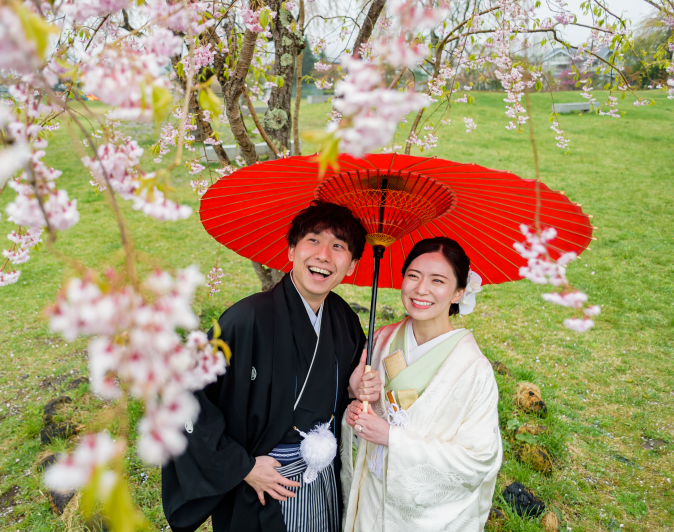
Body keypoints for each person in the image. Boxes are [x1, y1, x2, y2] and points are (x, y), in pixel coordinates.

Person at [162, 201, 382, 532]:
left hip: (322, 477)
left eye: (339, 246)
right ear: (292, 249)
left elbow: (342, 392)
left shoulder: (344, 318)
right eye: (313, 240)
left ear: (351, 265)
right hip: (264, 482)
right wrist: (243, 468)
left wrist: (354, 388)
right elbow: (184, 398)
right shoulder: (245, 320)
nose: (324, 255)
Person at [342, 237, 502, 532]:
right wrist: (354, 397)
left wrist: (393, 437)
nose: (421, 289)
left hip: (422, 519)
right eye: (413, 276)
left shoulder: (473, 370)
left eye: (437, 280)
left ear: (459, 292)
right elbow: (368, 407)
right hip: (373, 501)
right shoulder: (383, 339)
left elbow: (479, 460)